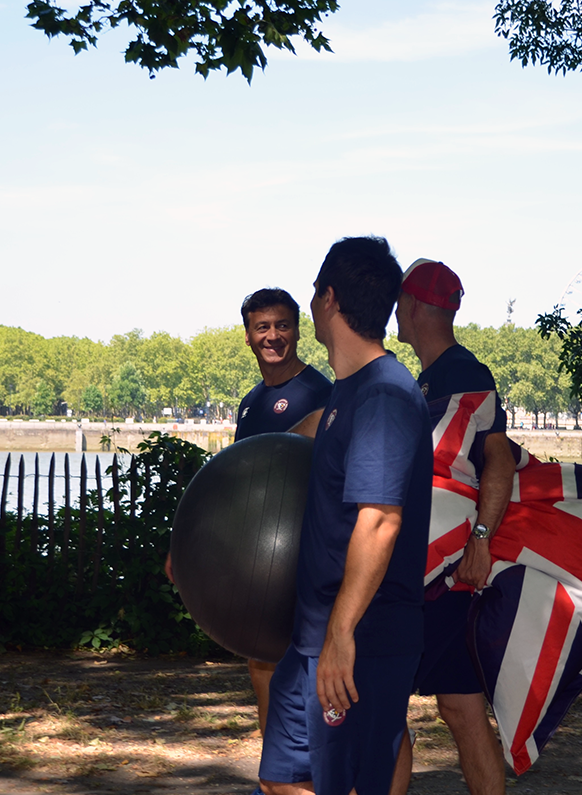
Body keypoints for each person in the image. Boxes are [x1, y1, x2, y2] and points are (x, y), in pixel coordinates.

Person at [256, 237, 432, 795]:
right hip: (312, 637)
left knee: (350, 785)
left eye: (312, 291)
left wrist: (340, 635)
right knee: (282, 779)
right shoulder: (349, 391)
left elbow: (380, 520)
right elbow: (309, 438)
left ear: (328, 300)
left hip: (359, 637)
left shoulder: (384, 396)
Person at [165, 287, 332, 735]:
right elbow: (233, 490)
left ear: (297, 331)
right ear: (247, 336)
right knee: (262, 666)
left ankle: (318, 772)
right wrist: (185, 549)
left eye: (282, 325)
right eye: (263, 327)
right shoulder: (251, 402)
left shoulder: (320, 391)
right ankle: (276, 774)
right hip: (258, 568)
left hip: (306, 557)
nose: (273, 336)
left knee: (312, 674)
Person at [390, 259, 514, 795]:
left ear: (414, 308)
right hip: (440, 572)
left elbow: (499, 461)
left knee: (385, 701)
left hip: (438, 575)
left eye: (399, 303)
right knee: (462, 709)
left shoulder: (461, 374)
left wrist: (480, 541)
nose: (396, 312)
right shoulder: (433, 376)